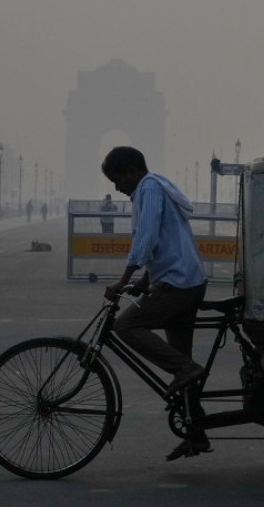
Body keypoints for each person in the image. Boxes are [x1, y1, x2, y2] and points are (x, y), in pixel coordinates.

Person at [100, 146, 211, 461]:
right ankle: (196, 434)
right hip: (185, 280)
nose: (117, 187)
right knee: (179, 359)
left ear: (133, 171)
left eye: (117, 179)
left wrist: (123, 280)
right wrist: (144, 281)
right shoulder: (157, 186)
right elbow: (166, 242)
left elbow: (146, 237)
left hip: (178, 285)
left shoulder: (149, 188)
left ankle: (187, 370)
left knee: (126, 326)